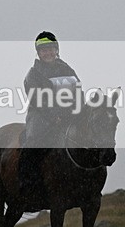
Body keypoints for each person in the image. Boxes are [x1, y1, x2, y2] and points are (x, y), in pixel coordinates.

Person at [18, 31, 81, 195]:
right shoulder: (33, 75)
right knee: (33, 144)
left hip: (68, 116)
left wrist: (78, 111)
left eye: (51, 49)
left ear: (56, 50)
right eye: (44, 50)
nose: (48, 53)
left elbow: (78, 92)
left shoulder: (68, 69)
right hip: (41, 117)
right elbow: (37, 100)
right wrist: (54, 116)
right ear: (38, 53)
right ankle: (26, 182)